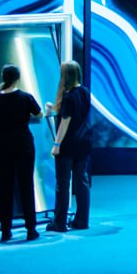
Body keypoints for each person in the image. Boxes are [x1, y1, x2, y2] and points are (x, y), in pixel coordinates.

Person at [0, 64, 43, 242]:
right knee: (26, 186)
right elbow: (39, 114)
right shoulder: (25, 97)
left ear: (3, 78)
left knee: (5, 188)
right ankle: (31, 229)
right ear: (18, 78)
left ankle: (5, 231)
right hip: (23, 144)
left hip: (3, 146)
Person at [44, 61, 91, 232]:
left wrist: (57, 144)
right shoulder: (84, 92)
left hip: (68, 144)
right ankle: (81, 220)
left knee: (62, 184)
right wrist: (54, 108)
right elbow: (74, 113)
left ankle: (59, 222)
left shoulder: (69, 97)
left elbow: (65, 122)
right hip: (83, 142)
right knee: (81, 181)